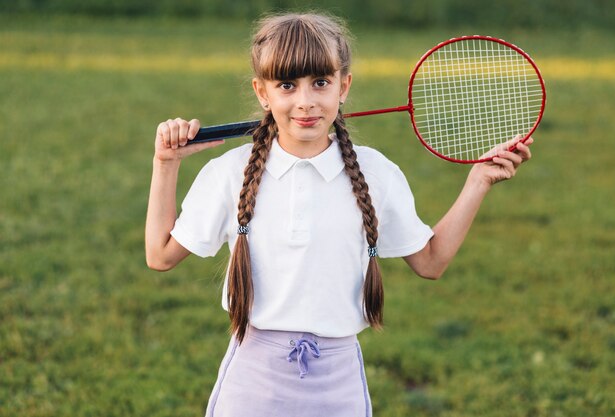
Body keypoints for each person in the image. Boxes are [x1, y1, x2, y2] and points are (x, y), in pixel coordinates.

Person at [145, 12, 533, 417]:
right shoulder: (230, 172)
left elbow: (431, 262)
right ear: (263, 93)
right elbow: (160, 255)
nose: (306, 102)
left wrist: (478, 182)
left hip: (339, 385)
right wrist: (165, 163)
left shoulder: (376, 174)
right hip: (252, 385)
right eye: (287, 85)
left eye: (321, 83)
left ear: (343, 86)